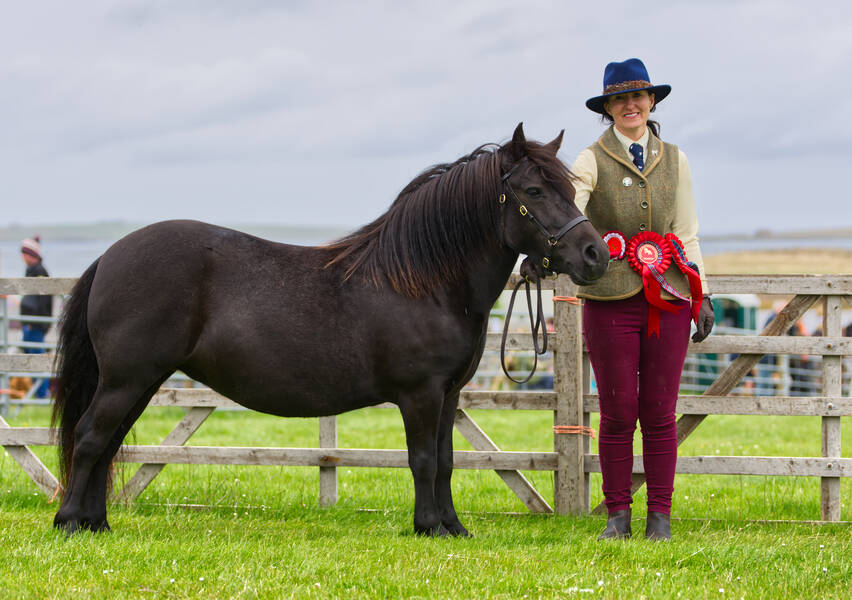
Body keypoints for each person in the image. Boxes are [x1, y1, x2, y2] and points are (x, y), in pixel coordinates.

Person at [570, 58, 715, 541]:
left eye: (638, 96)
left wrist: (703, 293)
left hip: (670, 297)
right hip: (608, 299)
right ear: (607, 108)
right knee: (616, 412)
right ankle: (617, 516)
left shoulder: (677, 158)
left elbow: (686, 232)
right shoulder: (588, 160)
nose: (630, 105)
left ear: (652, 102)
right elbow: (566, 217)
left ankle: (660, 517)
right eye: (619, 98)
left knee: (658, 411)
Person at [20, 236, 52, 398]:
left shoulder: (39, 271)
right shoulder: (33, 270)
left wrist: (35, 321)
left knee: (36, 357)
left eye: (24, 252)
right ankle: (37, 390)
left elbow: (42, 300)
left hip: (35, 323)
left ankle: (42, 393)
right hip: (30, 322)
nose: (22, 256)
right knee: (30, 355)